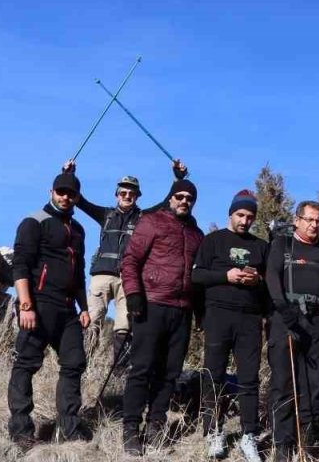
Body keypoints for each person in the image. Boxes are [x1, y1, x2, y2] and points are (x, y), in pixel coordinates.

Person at [62, 158, 186, 371]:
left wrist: (178, 178)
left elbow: (168, 202)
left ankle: (119, 373)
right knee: (92, 322)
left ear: (137, 196)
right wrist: (69, 175)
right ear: (116, 194)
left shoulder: (144, 217)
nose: (127, 196)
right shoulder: (106, 215)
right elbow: (80, 201)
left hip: (128, 279)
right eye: (123, 192)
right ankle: (81, 368)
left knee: (124, 327)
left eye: (132, 193)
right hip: (101, 277)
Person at [120, 177, 204, 456]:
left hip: (182, 310)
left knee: (170, 373)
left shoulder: (196, 234)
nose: (184, 201)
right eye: (179, 196)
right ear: (170, 198)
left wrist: (200, 311)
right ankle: (131, 428)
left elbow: (200, 276)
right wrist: (133, 294)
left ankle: (156, 423)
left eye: (189, 198)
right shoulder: (152, 221)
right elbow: (130, 259)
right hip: (152, 304)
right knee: (142, 368)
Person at [7, 172, 91, 449]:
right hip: (38, 305)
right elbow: (20, 265)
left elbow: (78, 274)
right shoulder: (34, 222)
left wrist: (85, 307)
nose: (65, 197)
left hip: (67, 309)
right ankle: (21, 432)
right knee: (26, 364)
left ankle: (69, 428)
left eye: (70, 193)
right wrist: (25, 305)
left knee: (75, 363)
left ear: (77, 197)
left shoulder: (78, 229)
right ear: (51, 192)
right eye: (61, 191)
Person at [266, 201, 319, 462]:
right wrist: (282, 308)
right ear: (297, 220)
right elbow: (271, 276)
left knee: (314, 386)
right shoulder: (283, 244)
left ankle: (308, 443)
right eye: (309, 219)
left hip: (318, 323)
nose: (314, 225)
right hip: (287, 320)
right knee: (284, 383)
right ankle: (282, 443)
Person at [192, 190, 268, 462]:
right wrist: (226, 275)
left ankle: (249, 435)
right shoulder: (212, 240)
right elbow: (196, 275)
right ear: (230, 214)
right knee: (213, 375)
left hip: (249, 319)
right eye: (240, 215)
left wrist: (257, 280)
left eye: (250, 216)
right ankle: (213, 431)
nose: (245, 221)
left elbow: (271, 285)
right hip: (218, 314)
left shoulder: (261, 246)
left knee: (249, 378)